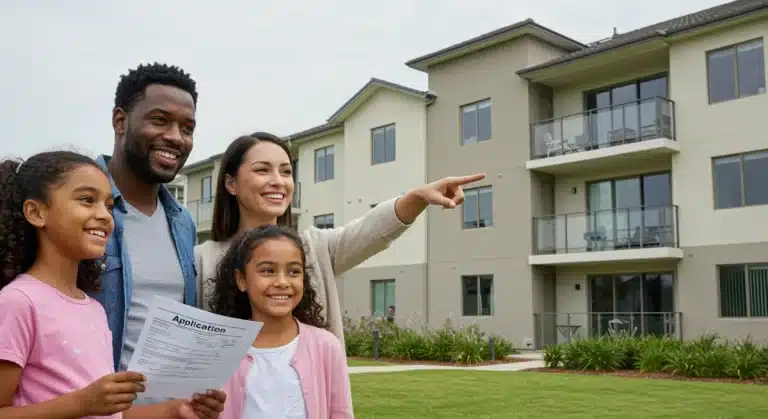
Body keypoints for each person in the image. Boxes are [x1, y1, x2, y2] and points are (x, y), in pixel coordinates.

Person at [194, 133, 485, 346]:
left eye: (286, 171)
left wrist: (416, 198)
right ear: (231, 183)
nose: (278, 181)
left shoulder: (315, 247)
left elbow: (372, 230)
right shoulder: (202, 259)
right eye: (262, 170)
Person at [0, 151, 221, 418]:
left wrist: (175, 410)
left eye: (108, 205)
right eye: (87, 200)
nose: (105, 215)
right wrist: (80, 403)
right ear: (36, 212)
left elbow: (112, 415)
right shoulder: (18, 301)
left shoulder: (93, 306)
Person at [92, 62, 225, 412]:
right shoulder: (74, 204)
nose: (176, 137)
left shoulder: (181, 222)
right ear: (121, 121)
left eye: (187, 127)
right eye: (160, 120)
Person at [209, 225, 353, 419]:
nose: (282, 282)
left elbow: (341, 414)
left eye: (294, 272)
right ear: (241, 279)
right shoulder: (219, 351)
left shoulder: (326, 346)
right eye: (268, 271)